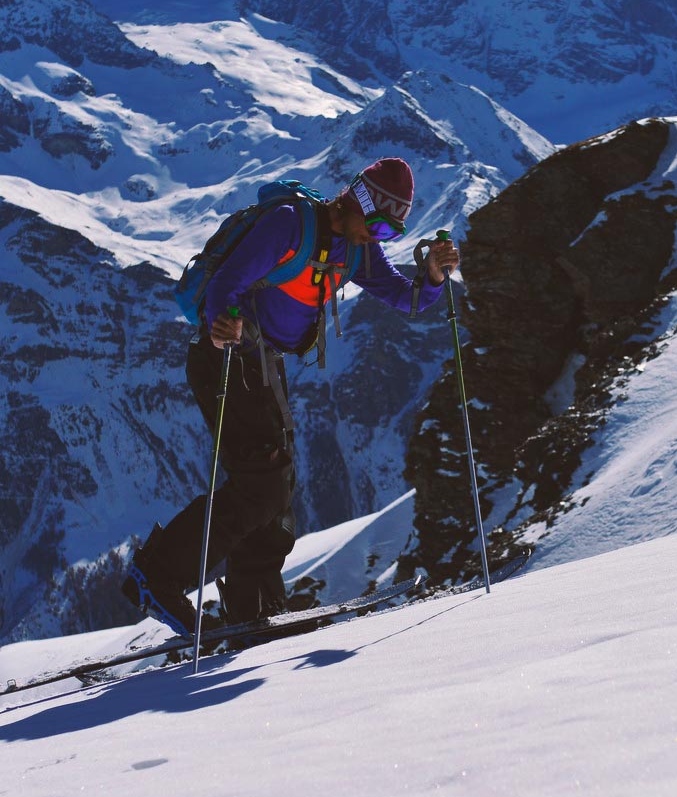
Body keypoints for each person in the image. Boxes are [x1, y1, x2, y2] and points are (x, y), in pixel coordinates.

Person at [122, 157, 460, 634]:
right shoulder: (289, 226)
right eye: (379, 227)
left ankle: (252, 605)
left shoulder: (356, 250)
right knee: (264, 480)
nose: (378, 240)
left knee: (277, 485)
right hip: (224, 359)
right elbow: (225, 283)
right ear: (358, 201)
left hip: (262, 365)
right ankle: (157, 576)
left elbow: (407, 300)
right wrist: (222, 325)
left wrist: (433, 276)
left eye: (392, 234)